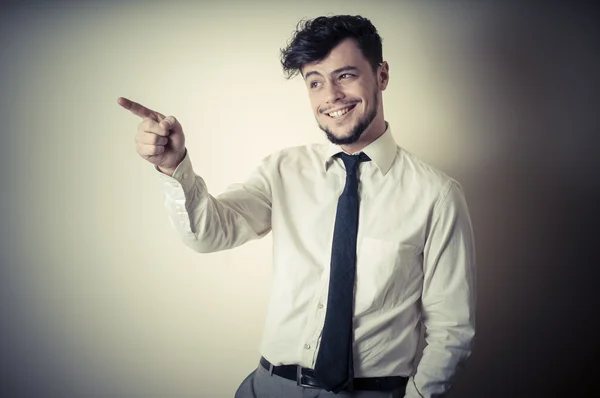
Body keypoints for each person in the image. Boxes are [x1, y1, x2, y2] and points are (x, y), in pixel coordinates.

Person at [118, 15, 476, 398]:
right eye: (316, 82)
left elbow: (452, 327)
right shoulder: (282, 171)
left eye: (346, 75)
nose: (330, 96)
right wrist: (173, 165)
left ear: (382, 75)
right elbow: (209, 234)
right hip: (269, 386)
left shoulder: (436, 195)